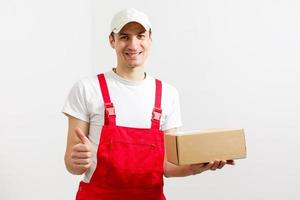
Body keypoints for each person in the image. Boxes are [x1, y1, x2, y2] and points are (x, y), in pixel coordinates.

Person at [62, 8, 234, 200]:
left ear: (150, 39)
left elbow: (168, 166)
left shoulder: (167, 94)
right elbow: (71, 163)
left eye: (140, 36)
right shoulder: (87, 89)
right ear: (112, 40)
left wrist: (198, 167)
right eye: (125, 37)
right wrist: (77, 161)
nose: (133, 44)